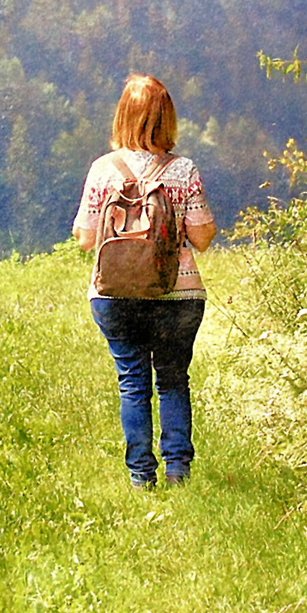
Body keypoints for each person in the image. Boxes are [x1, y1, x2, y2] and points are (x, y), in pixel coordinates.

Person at [73, 74, 217, 489]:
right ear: (166, 117)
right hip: (178, 295)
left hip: (115, 295)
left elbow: (85, 239)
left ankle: (140, 476)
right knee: (173, 379)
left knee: (132, 382)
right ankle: (178, 473)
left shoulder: (103, 170)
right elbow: (203, 237)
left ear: (124, 116)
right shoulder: (183, 169)